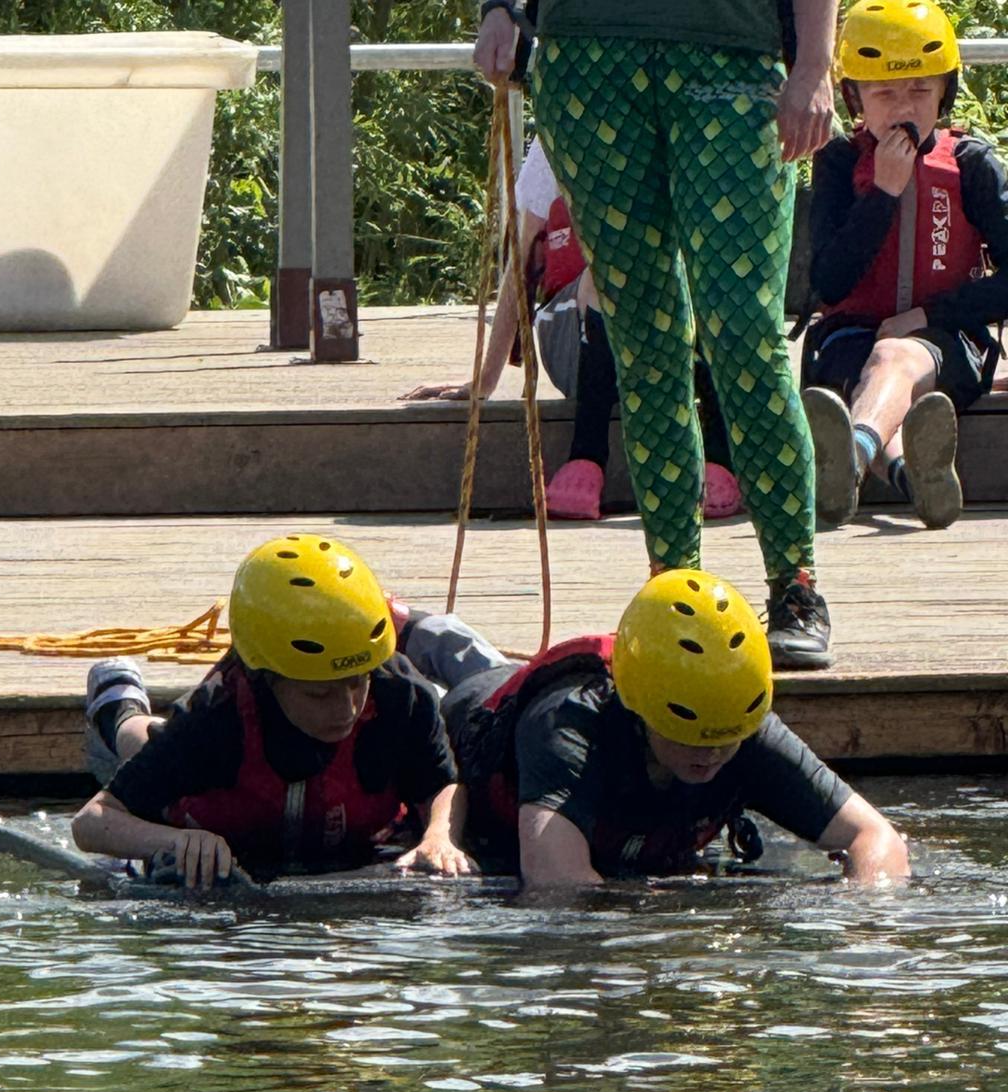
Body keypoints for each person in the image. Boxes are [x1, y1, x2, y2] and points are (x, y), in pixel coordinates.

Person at [474, 0, 840, 669]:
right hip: (587, 58)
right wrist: (498, 8)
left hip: (732, 56)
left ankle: (796, 588)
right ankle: (674, 591)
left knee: (744, 328)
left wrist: (815, 63)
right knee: (642, 336)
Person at [431, 568, 909, 887]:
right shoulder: (566, 725)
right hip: (469, 711)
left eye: (726, 740)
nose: (712, 754)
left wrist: (863, 913)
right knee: (443, 655)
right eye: (688, 738)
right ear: (639, 710)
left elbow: (876, 838)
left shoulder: (743, 722)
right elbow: (555, 882)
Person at [70, 536, 473, 888]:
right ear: (268, 680)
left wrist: (440, 836)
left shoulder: (401, 692)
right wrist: (177, 841)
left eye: (356, 684)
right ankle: (117, 703)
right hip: (219, 804)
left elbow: (441, 783)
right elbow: (92, 822)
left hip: (324, 831)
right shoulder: (216, 715)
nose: (347, 708)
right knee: (144, 742)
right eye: (319, 694)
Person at [403, 137, 742, 522]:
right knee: (609, 267)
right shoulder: (558, 132)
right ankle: (586, 458)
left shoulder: (683, 124)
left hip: (668, 343)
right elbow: (520, 262)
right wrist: (485, 380)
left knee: (693, 269)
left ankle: (720, 461)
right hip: (575, 332)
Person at [801, 0, 1008, 531]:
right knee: (870, 372)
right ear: (855, 97)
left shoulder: (972, 164)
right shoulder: (840, 162)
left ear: (944, 92)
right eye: (884, 93)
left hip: (947, 341)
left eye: (919, 90)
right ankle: (908, 476)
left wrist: (927, 315)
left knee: (894, 354)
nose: (903, 108)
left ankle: (851, 455)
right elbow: (829, 282)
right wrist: (883, 194)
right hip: (849, 340)